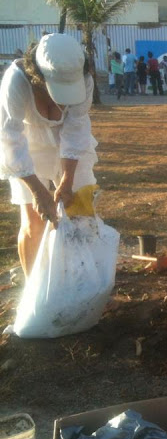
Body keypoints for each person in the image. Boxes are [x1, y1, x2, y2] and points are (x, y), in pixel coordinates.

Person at [0, 33, 99, 277]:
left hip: (70, 148)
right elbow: (10, 138)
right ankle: (35, 290)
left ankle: (81, 281)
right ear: (39, 76)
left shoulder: (85, 79)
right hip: (29, 145)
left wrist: (67, 179)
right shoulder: (17, 81)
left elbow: (76, 130)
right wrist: (36, 189)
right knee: (33, 222)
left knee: (82, 215)